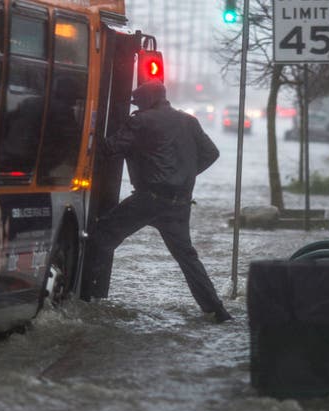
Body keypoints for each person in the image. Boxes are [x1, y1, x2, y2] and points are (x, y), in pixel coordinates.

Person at [88, 79, 232, 323]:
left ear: (145, 101)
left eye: (138, 102)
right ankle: (217, 311)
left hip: (148, 199)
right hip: (180, 203)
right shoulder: (189, 120)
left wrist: (85, 129)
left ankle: (84, 298)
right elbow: (212, 153)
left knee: (101, 238)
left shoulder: (140, 121)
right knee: (188, 258)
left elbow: (109, 149)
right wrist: (183, 174)